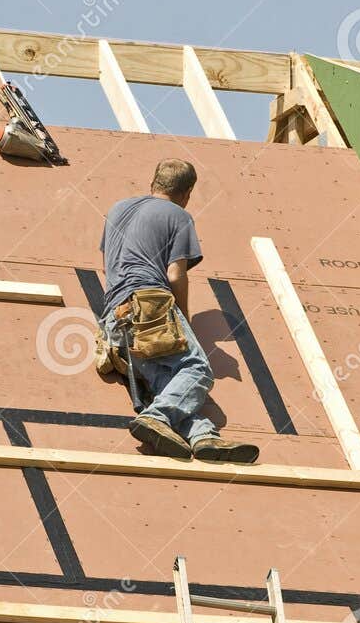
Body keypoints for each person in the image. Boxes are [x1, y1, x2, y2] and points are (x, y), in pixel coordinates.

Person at [100, 160, 259, 464]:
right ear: (187, 193)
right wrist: (182, 316)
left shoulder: (118, 208)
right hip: (149, 301)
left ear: (153, 183)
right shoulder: (179, 216)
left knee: (166, 380)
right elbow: (175, 275)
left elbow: (109, 262)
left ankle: (203, 436)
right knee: (197, 368)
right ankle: (157, 417)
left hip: (114, 316)